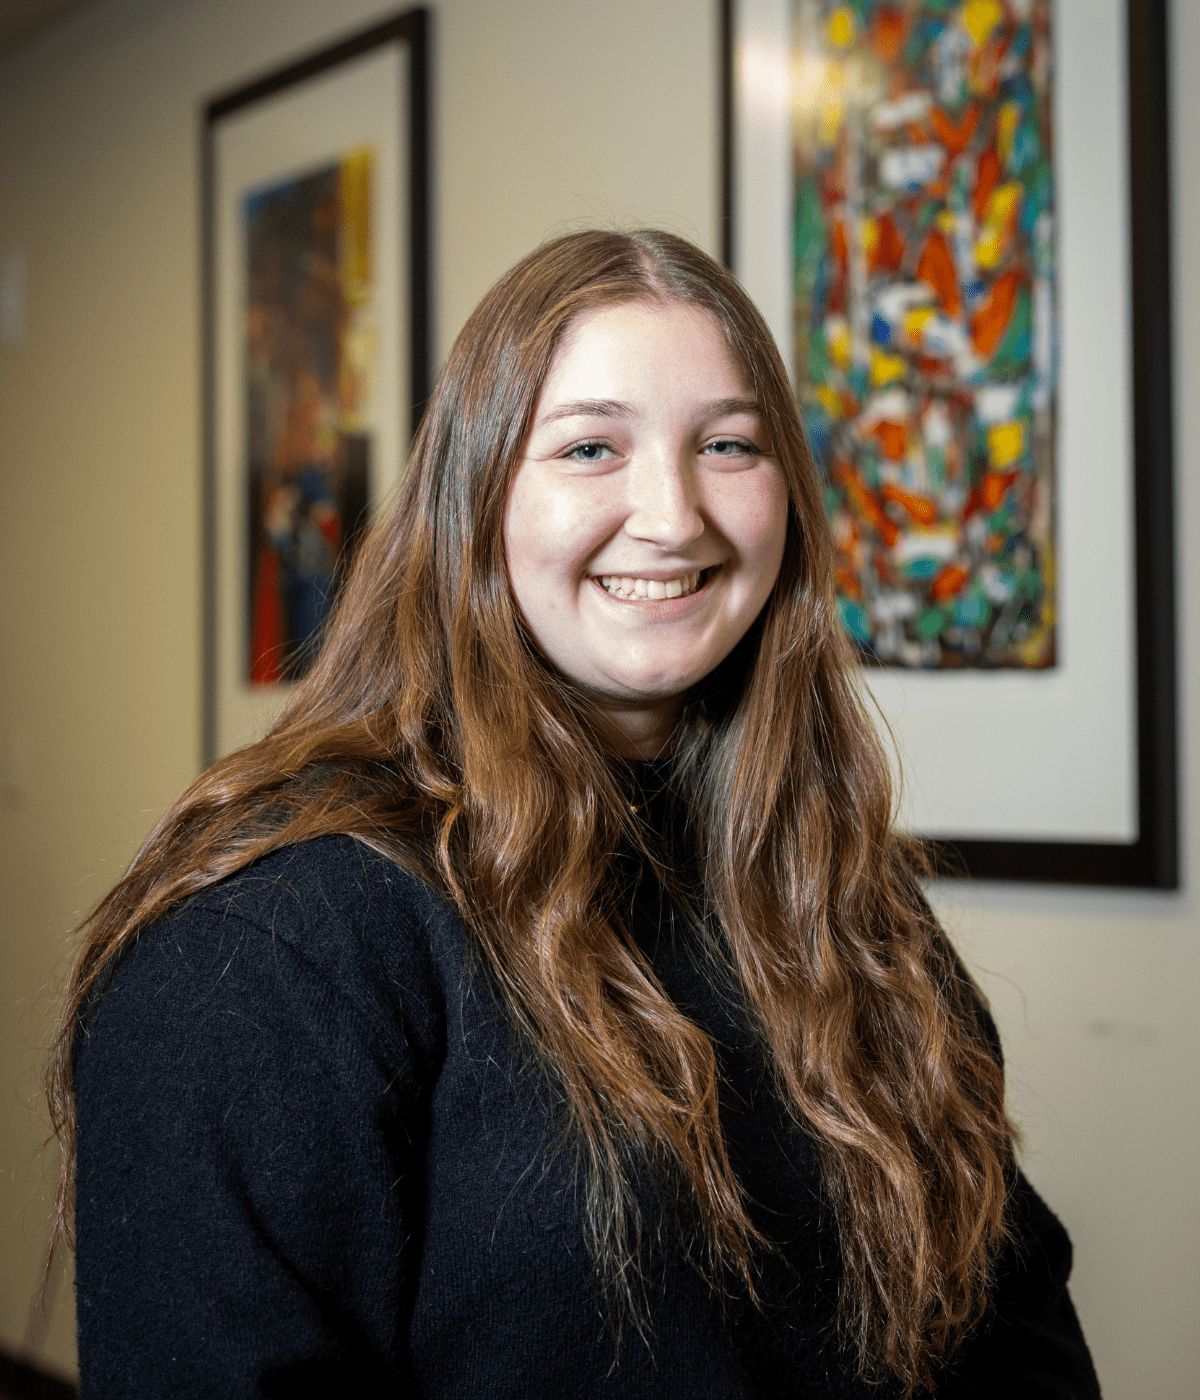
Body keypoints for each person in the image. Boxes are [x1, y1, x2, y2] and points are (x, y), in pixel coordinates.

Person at [50, 230, 1100, 1398]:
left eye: (730, 444)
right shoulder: (282, 941)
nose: (673, 514)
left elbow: (1016, 1330)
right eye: (593, 446)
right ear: (476, 493)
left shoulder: (840, 896)